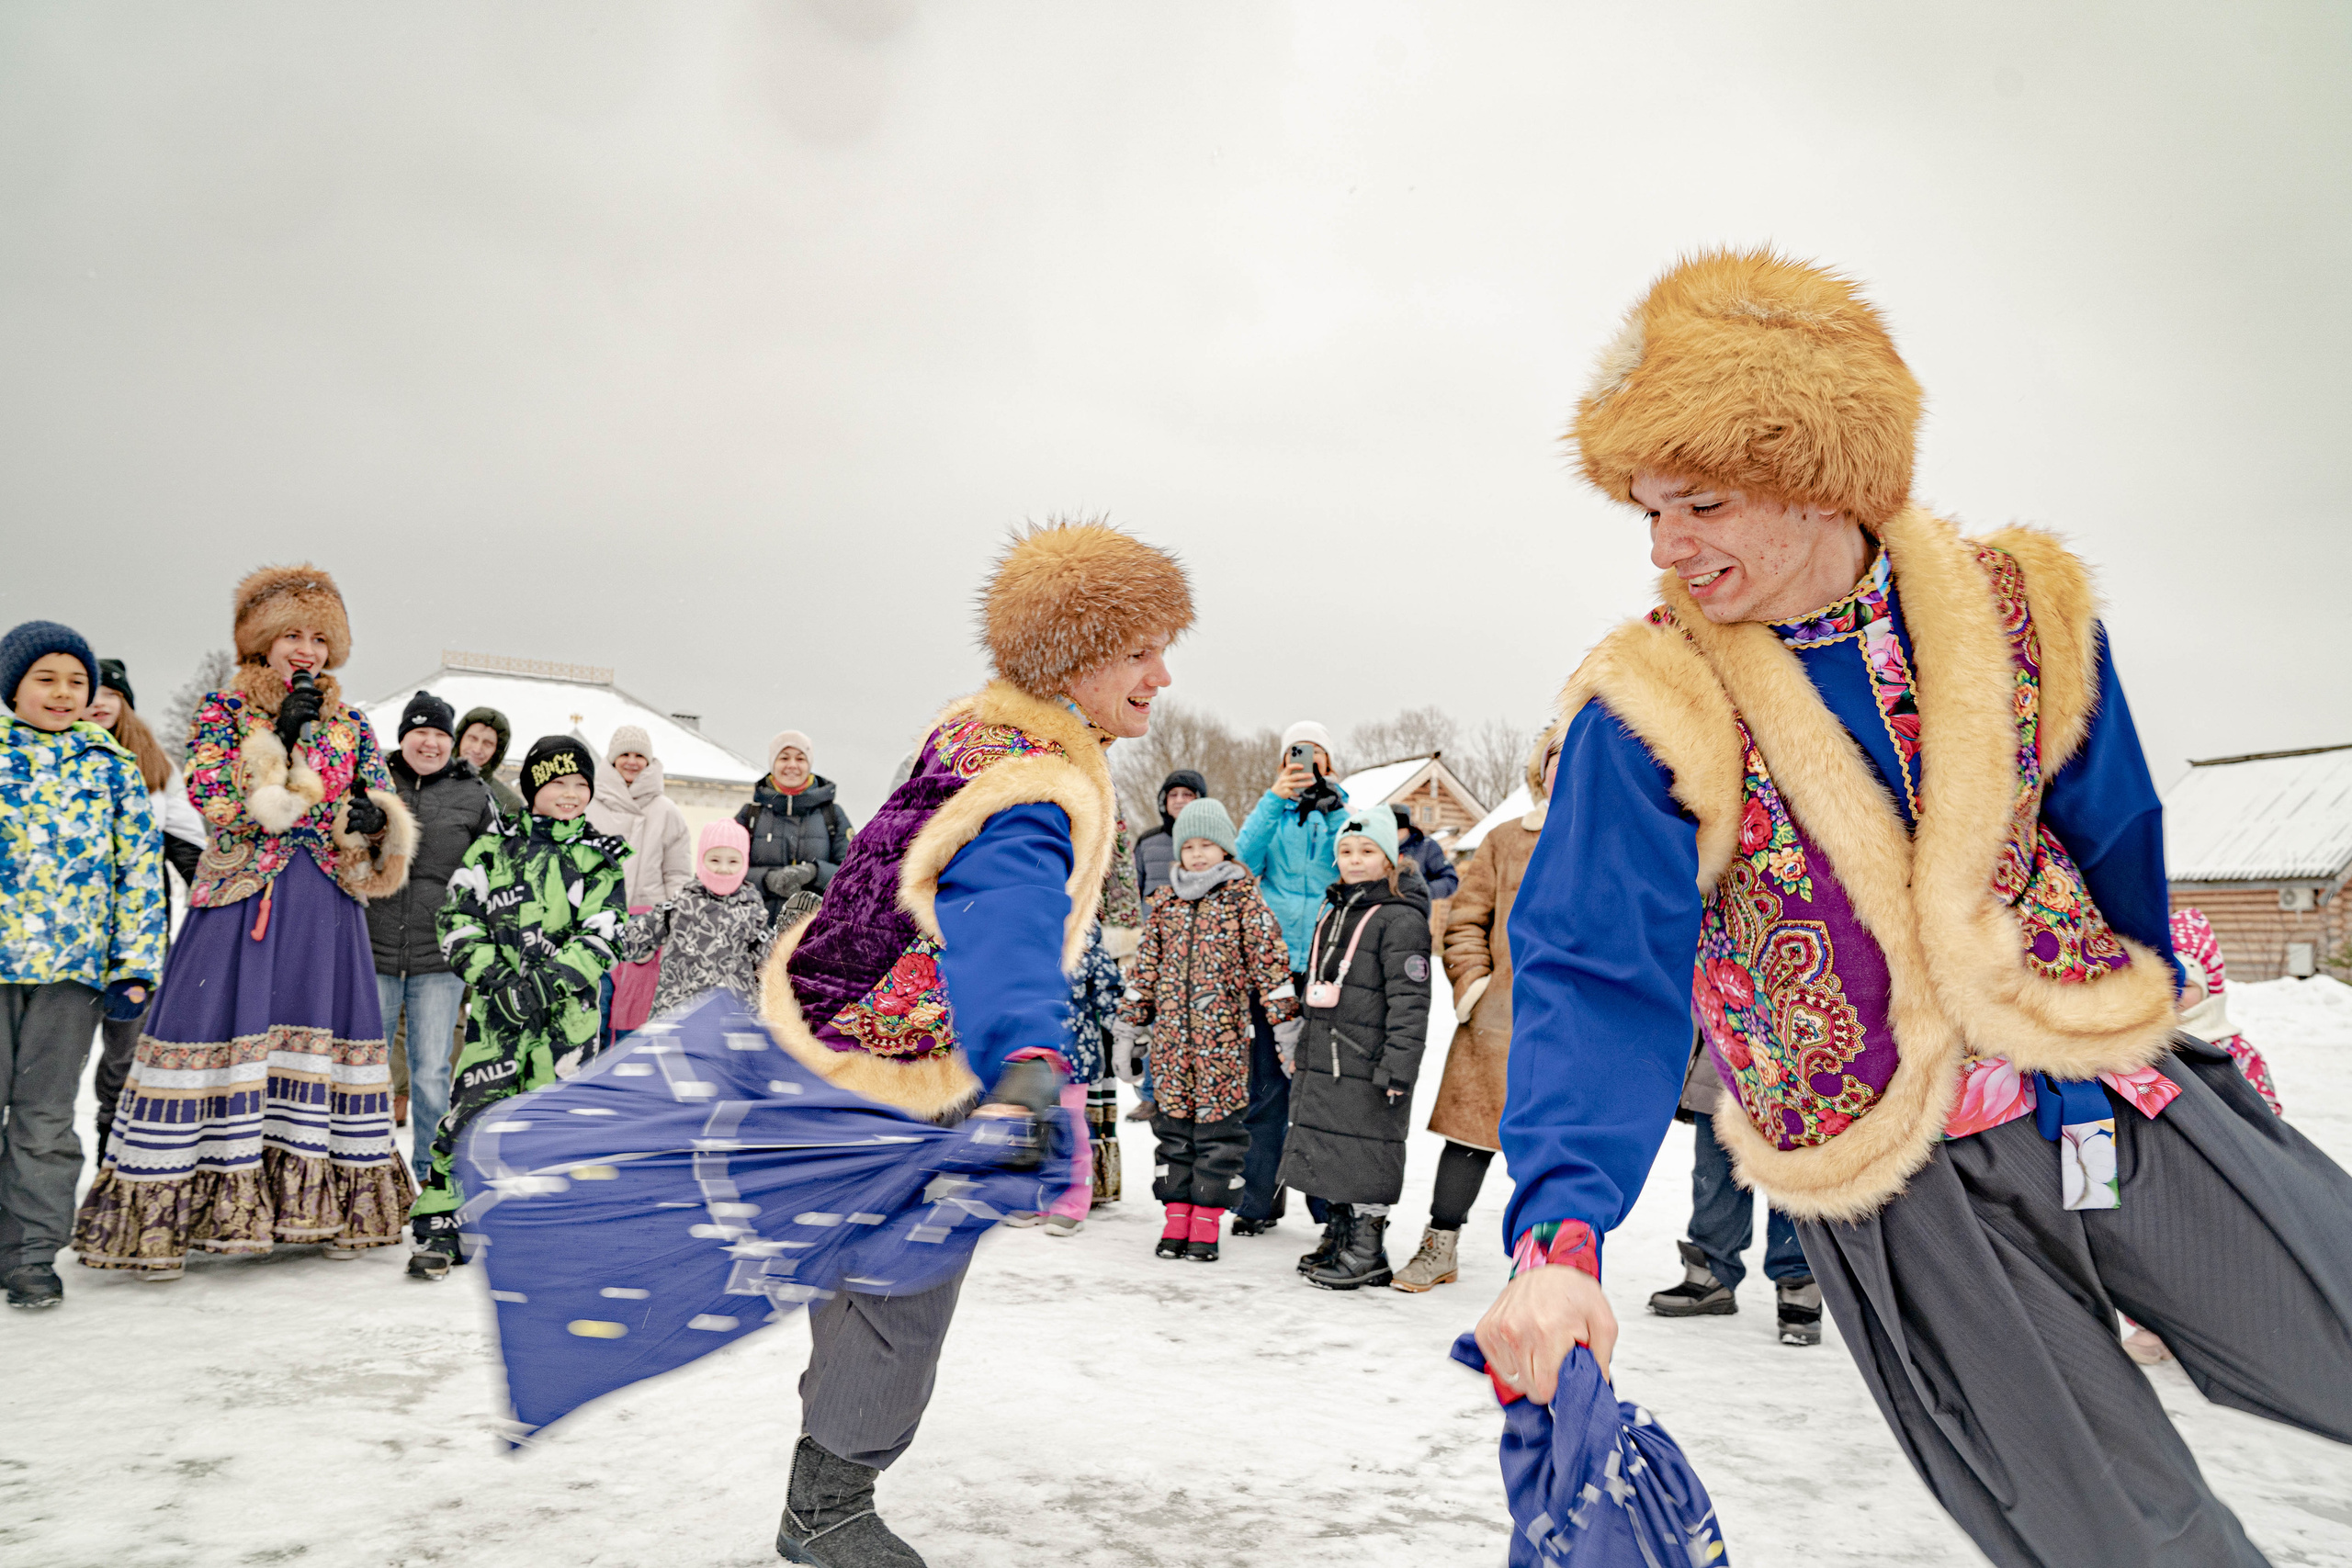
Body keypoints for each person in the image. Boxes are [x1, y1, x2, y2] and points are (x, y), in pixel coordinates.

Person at [1476, 251, 2352, 1568]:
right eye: (1649, 511)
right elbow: (1596, 973)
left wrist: (2172, 1011)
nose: (1667, 546)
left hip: (2111, 1098)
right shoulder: (1648, 706)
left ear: (1822, 480)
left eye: (1701, 502)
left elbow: (2113, 833)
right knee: (2117, 1536)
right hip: (1896, 1187)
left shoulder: (2021, 613)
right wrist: (1560, 1234)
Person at [756, 518, 1191, 1566]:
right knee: (898, 1285)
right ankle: (826, 1512)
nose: (1162, 676)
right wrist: (1031, 1060)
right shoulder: (1029, 780)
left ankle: (826, 1486)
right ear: (1072, 658)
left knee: (863, 1275)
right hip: (904, 1062)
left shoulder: (975, 735)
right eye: (1139, 653)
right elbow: (1002, 928)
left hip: (837, 1039)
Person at [74, 565, 418, 1279]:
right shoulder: (224, 710)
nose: (307, 649)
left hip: (323, 909)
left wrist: (371, 820)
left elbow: (379, 802)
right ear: (263, 639)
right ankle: (184, 1213)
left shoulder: (353, 722)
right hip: (242, 904)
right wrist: (275, 757)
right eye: (292, 633)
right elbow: (211, 799)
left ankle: (317, 1207)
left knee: (317, 1050)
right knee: (213, 1043)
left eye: (320, 637)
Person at [407, 734, 629, 1280]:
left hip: (568, 1019)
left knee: (559, 1124)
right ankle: (443, 1222)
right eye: (559, 783)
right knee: (471, 1113)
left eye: (581, 784)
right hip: (496, 1015)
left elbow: (605, 933)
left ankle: (545, 1227)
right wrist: (500, 980)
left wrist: (548, 982)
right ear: (532, 788)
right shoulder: (491, 849)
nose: (572, 793)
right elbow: (458, 919)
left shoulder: (599, 858)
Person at [0, 623, 164, 1309]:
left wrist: (135, 964)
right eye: (47, 679)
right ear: (14, 685)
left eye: (77, 681)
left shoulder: (111, 766)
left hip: (72, 972)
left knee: (43, 1117)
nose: (64, 694)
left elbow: (139, 874)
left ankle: (32, 1253)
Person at [1394, 731, 1556, 1294]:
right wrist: (1475, 987)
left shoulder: (1610, 841)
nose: (1568, 770)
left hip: (1572, 1027)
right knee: (1469, 1135)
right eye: (1556, 759)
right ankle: (1440, 1244)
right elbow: (1466, 920)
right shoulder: (1506, 840)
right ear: (1542, 771)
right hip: (1499, 1016)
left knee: (1557, 1150)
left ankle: (1546, 1267)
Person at [1114, 798, 1298, 1263]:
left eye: (1208, 845)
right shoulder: (1164, 904)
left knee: (1218, 1141)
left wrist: (1286, 1030)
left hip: (1224, 1051)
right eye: (1189, 846)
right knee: (1173, 1134)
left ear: (1226, 850)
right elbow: (1144, 977)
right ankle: (1176, 1216)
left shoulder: (1244, 902)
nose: (1197, 854)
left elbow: (1271, 971)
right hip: (1172, 1049)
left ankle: (1206, 1221)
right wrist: (1128, 1031)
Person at [1282, 804, 1431, 1291]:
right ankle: (1341, 1234)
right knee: (1334, 1151)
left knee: (1369, 1152)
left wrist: (1399, 1067)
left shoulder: (1401, 920)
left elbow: (1411, 1003)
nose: (1355, 859)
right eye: (1346, 851)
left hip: (1369, 1060)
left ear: (1389, 858)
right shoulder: (1335, 908)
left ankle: (1369, 1249)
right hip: (1330, 1054)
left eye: (1367, 850)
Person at [368, 690, 498, 1175]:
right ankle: (371, 1170)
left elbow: (493, 873)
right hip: (374, 950)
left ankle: (429, 1171)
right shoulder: (374, 782)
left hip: (439, 959)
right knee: (369, 1070)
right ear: (403, 738)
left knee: (430, 1073)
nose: (431, 743)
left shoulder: (474, 795)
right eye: (421, 732)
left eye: (441, 734)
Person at [83, 658, 206, 1160]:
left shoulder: (153, 765)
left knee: (125, 1052)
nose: (98, 702)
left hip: (136, 935)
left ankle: (112, 1156)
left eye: (110, 693)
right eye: (91, 691)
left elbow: (186, 842)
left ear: (124, 702)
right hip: (70, 932)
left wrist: (212, 898)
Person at [1230, 720, 1350, 1233]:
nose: (1304, 763)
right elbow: (1240, 860)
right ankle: (1259, 1201)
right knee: (1267, 1088)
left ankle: (1325, 1205)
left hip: (1326, 963)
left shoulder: (1342, 813)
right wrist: (1271, 801)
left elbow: (1353, 865)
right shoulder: (1273, 814)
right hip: (1273, 965)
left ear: (1328, 762)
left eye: (1315, 754)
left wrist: (1335, 803)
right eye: (1295, 755)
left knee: (1321, 1087)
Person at [1647, 1029, 1819, 1344]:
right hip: (1727, 1029)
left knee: (1793, 1161)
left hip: (1801, 1028)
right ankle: (1712, 1271)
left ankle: (1798, 1279)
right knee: (1715, 1164)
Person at [587, 724, 692, 1038]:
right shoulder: (590, 805)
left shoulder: (667, 811)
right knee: (597, 1007)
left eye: (639, 755)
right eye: (624, 755)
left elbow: (677, 874)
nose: (632, 762)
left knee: (636, 1015)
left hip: (648, 926)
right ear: (612, 759)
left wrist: (672, 916)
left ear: (649, 761)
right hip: (598, 919)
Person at [619, 820, 776, 1017]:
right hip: (676, 1014)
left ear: (744, 864)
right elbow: (633, 939)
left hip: (731, 1020)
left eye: (733, 862)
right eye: (715, 860)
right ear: (701, 861)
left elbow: (775, 968)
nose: (724, 869)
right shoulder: (680, 905)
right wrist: (604, 935)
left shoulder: (753, 915)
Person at [738, 730, 855, 924]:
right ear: (773, 763)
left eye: (800, 759)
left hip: (813, 930)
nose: (792, 765)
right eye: (784, 758)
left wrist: (815, 873)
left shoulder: (832, 815)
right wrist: (767, 879)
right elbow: (726, 869)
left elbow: (854, 872)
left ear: (809, 764)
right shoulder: (750, 815)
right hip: (756, 930)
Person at [1130, 768, 1206, 896]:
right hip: (1151, 914)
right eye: (1173, 794)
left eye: (1187, 794)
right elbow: (1132, 888)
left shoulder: (1211, 840)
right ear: (1164, 801)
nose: (1179, 800)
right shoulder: (1146, 841)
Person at [456, 705, 525, 817]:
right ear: (460, 738)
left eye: (488, 743)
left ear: (497, 751)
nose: (477, 749)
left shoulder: (508, 804)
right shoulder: (429, 781)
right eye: (473, 738)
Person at [1389, 803, 1460, 899]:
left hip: (1414, 909)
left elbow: (1449, 880)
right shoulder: (1378, 848)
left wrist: (1423, 892)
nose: (1393, 833)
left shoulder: (1427, 847)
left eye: (1398, 829)